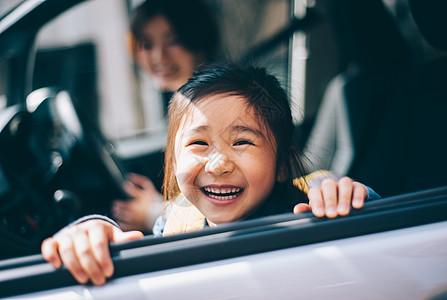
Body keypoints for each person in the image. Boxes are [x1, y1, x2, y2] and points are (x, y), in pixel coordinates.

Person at [42, 64, 379, 285]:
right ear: (173, 160)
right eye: (199, 142)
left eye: (243, 141)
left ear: (280, 165)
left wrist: (344, 198)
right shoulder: (175, 222)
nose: (218, 164)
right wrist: (94, 233)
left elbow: (368, 225)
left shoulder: (308, 206)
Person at [112, 0, 220, 233]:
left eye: (173, 42)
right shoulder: (184, 103)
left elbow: (220, 200)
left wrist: (155, 214)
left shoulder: (213, 106)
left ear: (198, 41)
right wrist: (158, 204)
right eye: (146, 44)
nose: (158, 57)